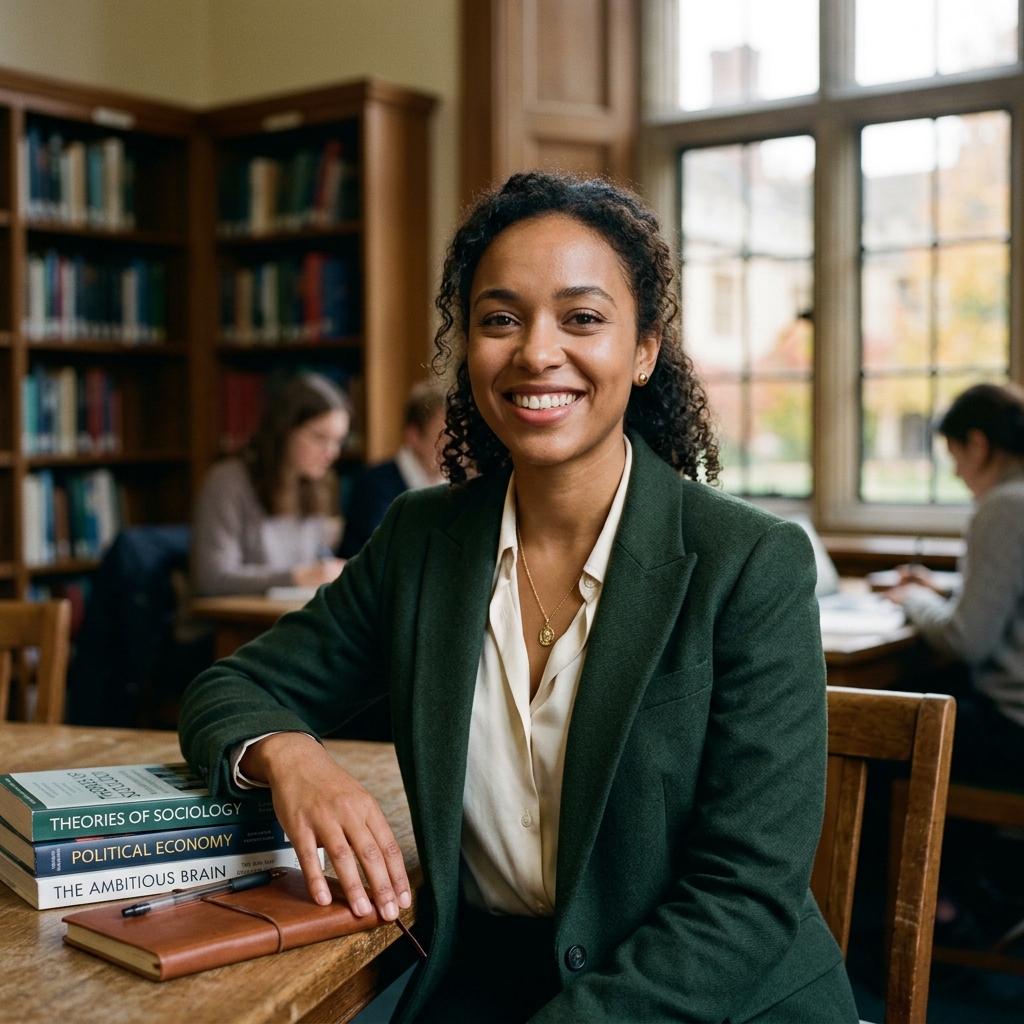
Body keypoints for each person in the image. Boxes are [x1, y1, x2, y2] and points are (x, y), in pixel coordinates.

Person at [179, 172, 856, 1023]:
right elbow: (228, 688)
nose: (536, 352)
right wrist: (291, 756)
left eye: (582, 318)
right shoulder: (421, 538)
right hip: (487, 980)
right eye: (500, 319)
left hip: (707, 995)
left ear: (645, 349)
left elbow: (744, 895)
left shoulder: (749, 562)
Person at [888, 382, 1024, 786]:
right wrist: (942, 590)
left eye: (954, 456)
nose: (956, 472)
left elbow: (967, 640)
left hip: (1013, 729)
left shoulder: (1004, 506)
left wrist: (913, 598)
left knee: (875, 724)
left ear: (977, 445)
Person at [191, 372, 351, 596]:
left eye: (338, 441)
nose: (332, 453)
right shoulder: (227, 481)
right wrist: (297, 577)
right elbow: (212, 578)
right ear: (284, 430)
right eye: (320, 438)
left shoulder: (316, 485)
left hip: (290, 614)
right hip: (235, 617)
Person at [339, 380, 447, 557]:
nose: (458, 443)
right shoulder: (374, 486)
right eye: (445, 433)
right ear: (414, 436)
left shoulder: (458, 484)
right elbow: (384, 557)